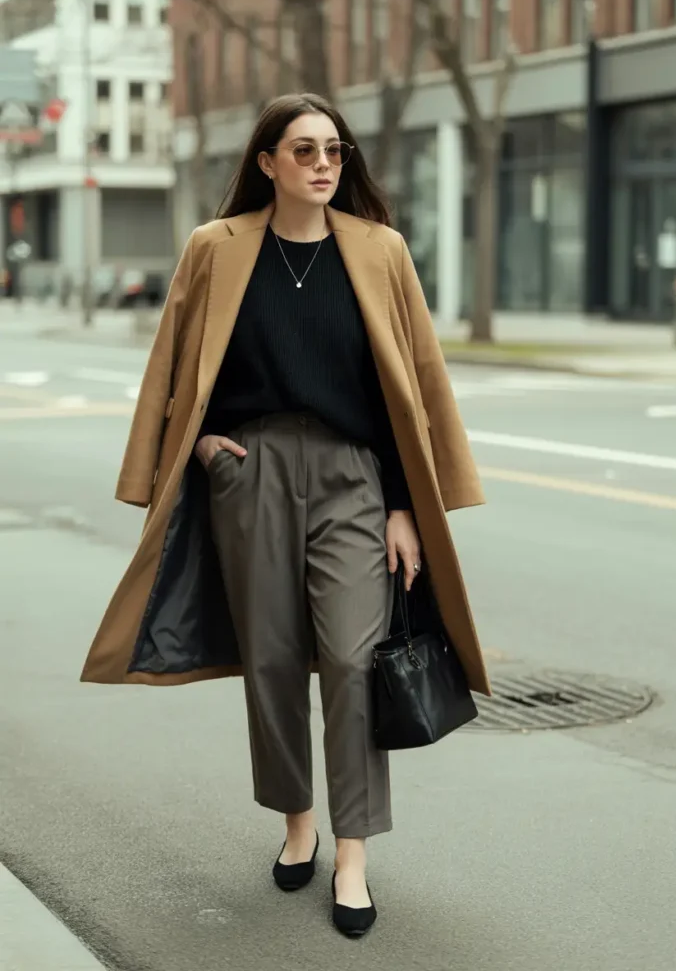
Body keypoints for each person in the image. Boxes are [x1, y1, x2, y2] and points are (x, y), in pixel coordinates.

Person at [80, 93, 491, 939]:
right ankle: (295, 821)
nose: (322, 164)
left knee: (351, 657)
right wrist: (193, 453)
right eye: (302, 150)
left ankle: (351, 854)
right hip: (249, 470)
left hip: (353, 478)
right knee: (269, 658)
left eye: (332, 150)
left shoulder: (379, 251)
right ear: (266, 161)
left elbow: (411, 381)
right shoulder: (215, 248)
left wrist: (406, 506)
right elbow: (173, 365)